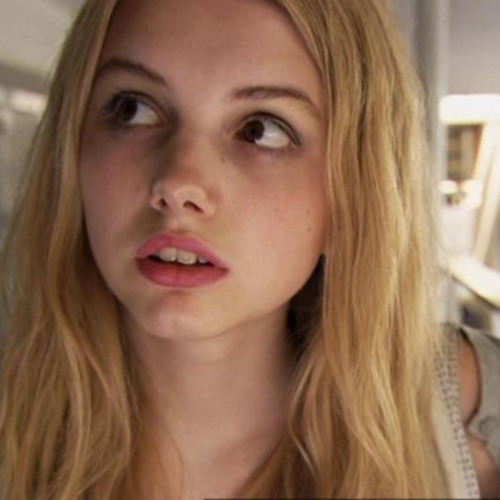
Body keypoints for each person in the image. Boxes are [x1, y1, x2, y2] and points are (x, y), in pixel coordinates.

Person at [0, 0, 499, 498]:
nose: (178, 183)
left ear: (352, 191)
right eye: (134, 109)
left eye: (261, 129)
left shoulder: (473, 422)